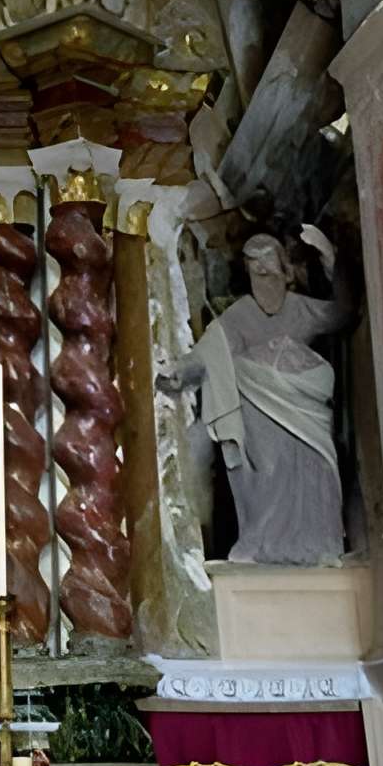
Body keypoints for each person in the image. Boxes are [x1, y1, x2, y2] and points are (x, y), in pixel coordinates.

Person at [158, 226, 351, 566]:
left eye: (268, 268)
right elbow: (208, 352)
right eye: (255, 271)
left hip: (304, 405)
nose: (263, 278)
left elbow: (343, 313)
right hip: (258, 409)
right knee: (269, 471)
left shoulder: (299, 309)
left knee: (316, 468)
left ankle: (319, 544)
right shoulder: (240, 315)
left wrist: (331, 260)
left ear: (283, 270)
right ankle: (263, 544)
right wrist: (181, 370)